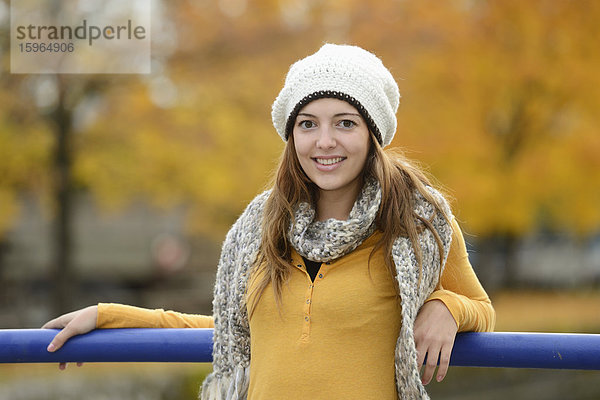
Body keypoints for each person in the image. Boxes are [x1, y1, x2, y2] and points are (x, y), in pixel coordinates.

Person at [43, 43, 495, 400]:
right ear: (291, 134)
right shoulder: (259, 231)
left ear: (372, 134)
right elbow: (234, 335)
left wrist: (447, 308)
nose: (324, 142)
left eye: (345, 123)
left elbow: (481, 308)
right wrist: (108, 317)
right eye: (307, 124)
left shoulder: (417, 223)